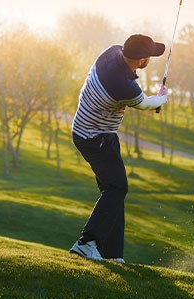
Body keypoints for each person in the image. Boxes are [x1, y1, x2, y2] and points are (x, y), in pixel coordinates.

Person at [68, 34, 169, 263]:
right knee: (116, 188)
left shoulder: (111, 52)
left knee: (113, 192)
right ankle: (87, 243)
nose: (150, 59)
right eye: (150, 56)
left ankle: (112, 254)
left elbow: (133, 88)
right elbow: (144, 103)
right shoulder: (123, 86)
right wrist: (162, 98)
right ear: (142, 60)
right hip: (95, 138)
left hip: (91, 132)